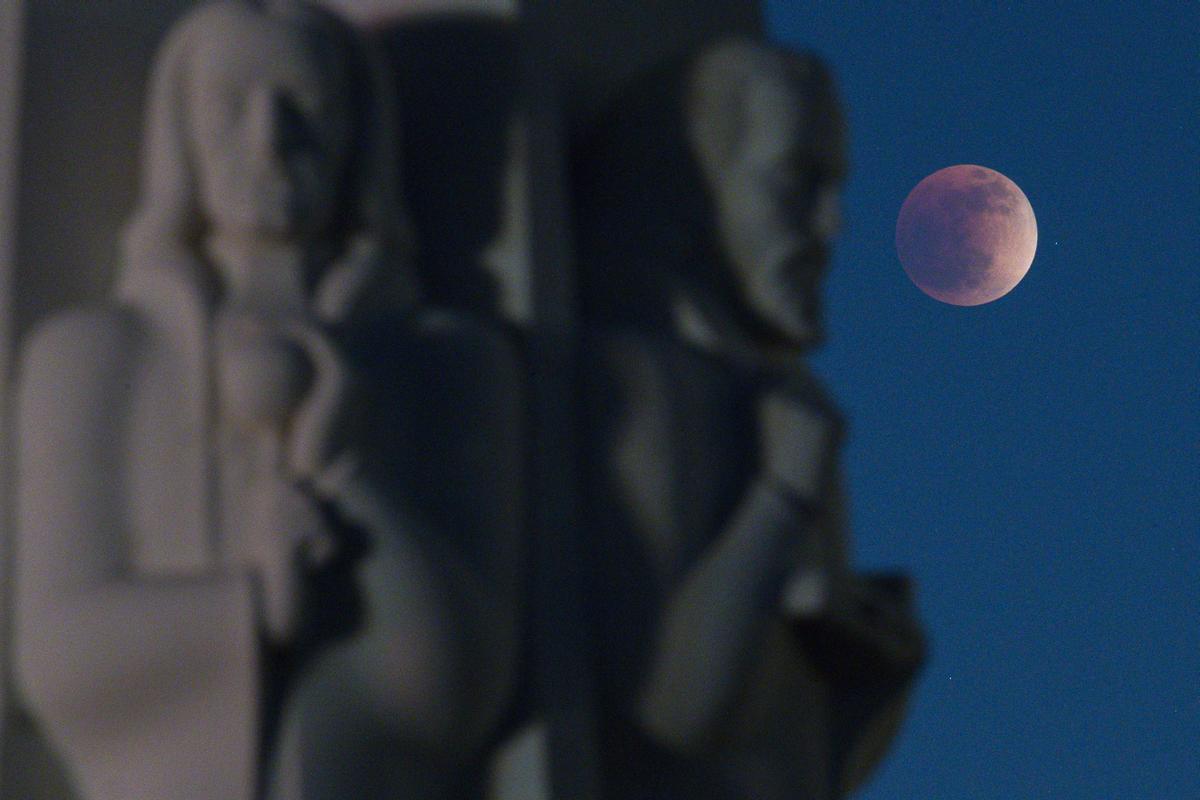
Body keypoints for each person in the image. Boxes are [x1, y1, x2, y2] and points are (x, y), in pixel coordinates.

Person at [12, 3, 522, 798]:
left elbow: (463, 692)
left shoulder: (446, 361)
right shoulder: (93, 356)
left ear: (358, 133)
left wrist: (352, 476)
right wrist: (254, 602)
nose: (268, 140)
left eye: (305, 104)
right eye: (229, 105)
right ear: (179, 128)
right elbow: (55, 653)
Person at [572, 38, 925, 799]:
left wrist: (874, 673)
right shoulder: (642, 382)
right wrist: (779, 496)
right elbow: (672, 713)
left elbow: (801, 748)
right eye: (796, 183)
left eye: (833, 189)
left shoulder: (780, 404)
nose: (830, 225)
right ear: (694, 190)